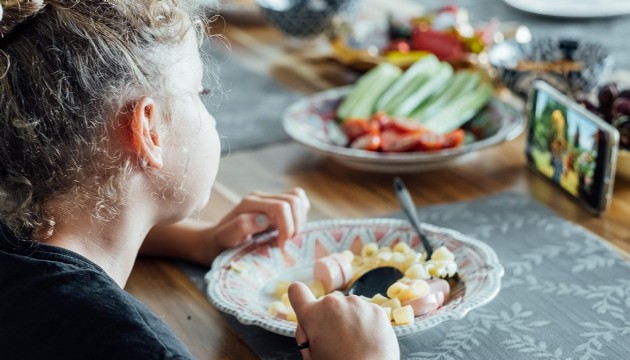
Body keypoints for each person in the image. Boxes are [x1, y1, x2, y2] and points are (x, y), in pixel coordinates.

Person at [0, 1, 399, 359]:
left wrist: (198, 240)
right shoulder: (136, 347)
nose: (209, 116)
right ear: (148, 130)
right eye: (199, 93)